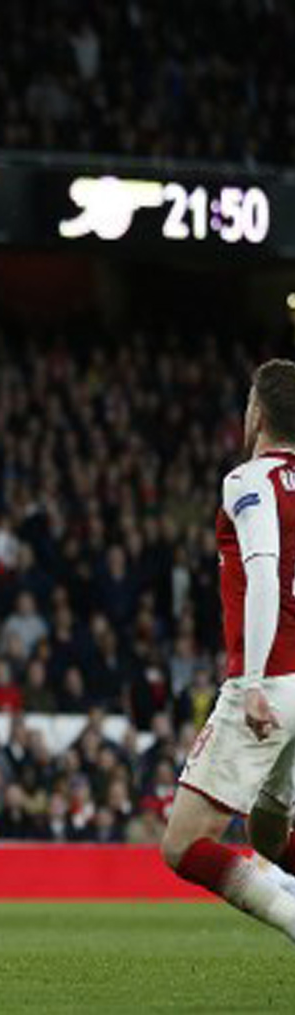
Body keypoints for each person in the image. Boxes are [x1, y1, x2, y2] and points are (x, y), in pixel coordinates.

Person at [162, 359, 295, 943]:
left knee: (184, 844)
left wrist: (254, 684)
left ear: (257, 413)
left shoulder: (251, 479)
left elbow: (264, 575)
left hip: (273, 681)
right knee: (268, 830)